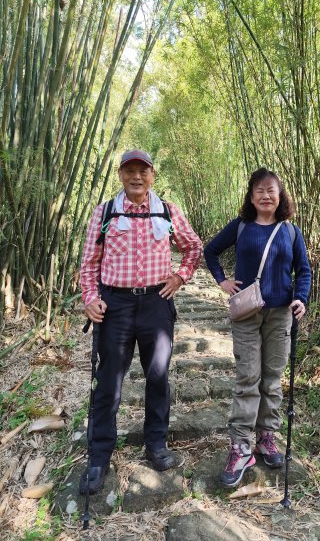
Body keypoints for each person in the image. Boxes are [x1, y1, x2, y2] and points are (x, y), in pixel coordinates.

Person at [79, 149, 202, 495]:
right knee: (108, 384)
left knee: (158, 377)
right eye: (129, 170)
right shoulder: (105, 212)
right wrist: (90, 298)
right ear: (120, 175)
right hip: (115, 305)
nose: (136, 176)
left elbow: (193, 248)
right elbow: (89, 264)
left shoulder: (167, 210)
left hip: (155, 302)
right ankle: (99, 455)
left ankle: (156, 444)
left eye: (142, 171)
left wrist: (179, 277)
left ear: (153, 175)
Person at [204, 167, 311, 487]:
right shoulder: (241, 227)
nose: (266, 195)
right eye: (260, 191)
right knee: (248, 376)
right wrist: (222, 280)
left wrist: (301, 298)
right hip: (247, 313)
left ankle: (267, 436)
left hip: (280, 315)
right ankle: (240, 445)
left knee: (273, 379)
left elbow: (303, 270)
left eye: (271, 191)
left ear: (281, 197)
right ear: (251, 197)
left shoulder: (291, 231)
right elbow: (210, 251)